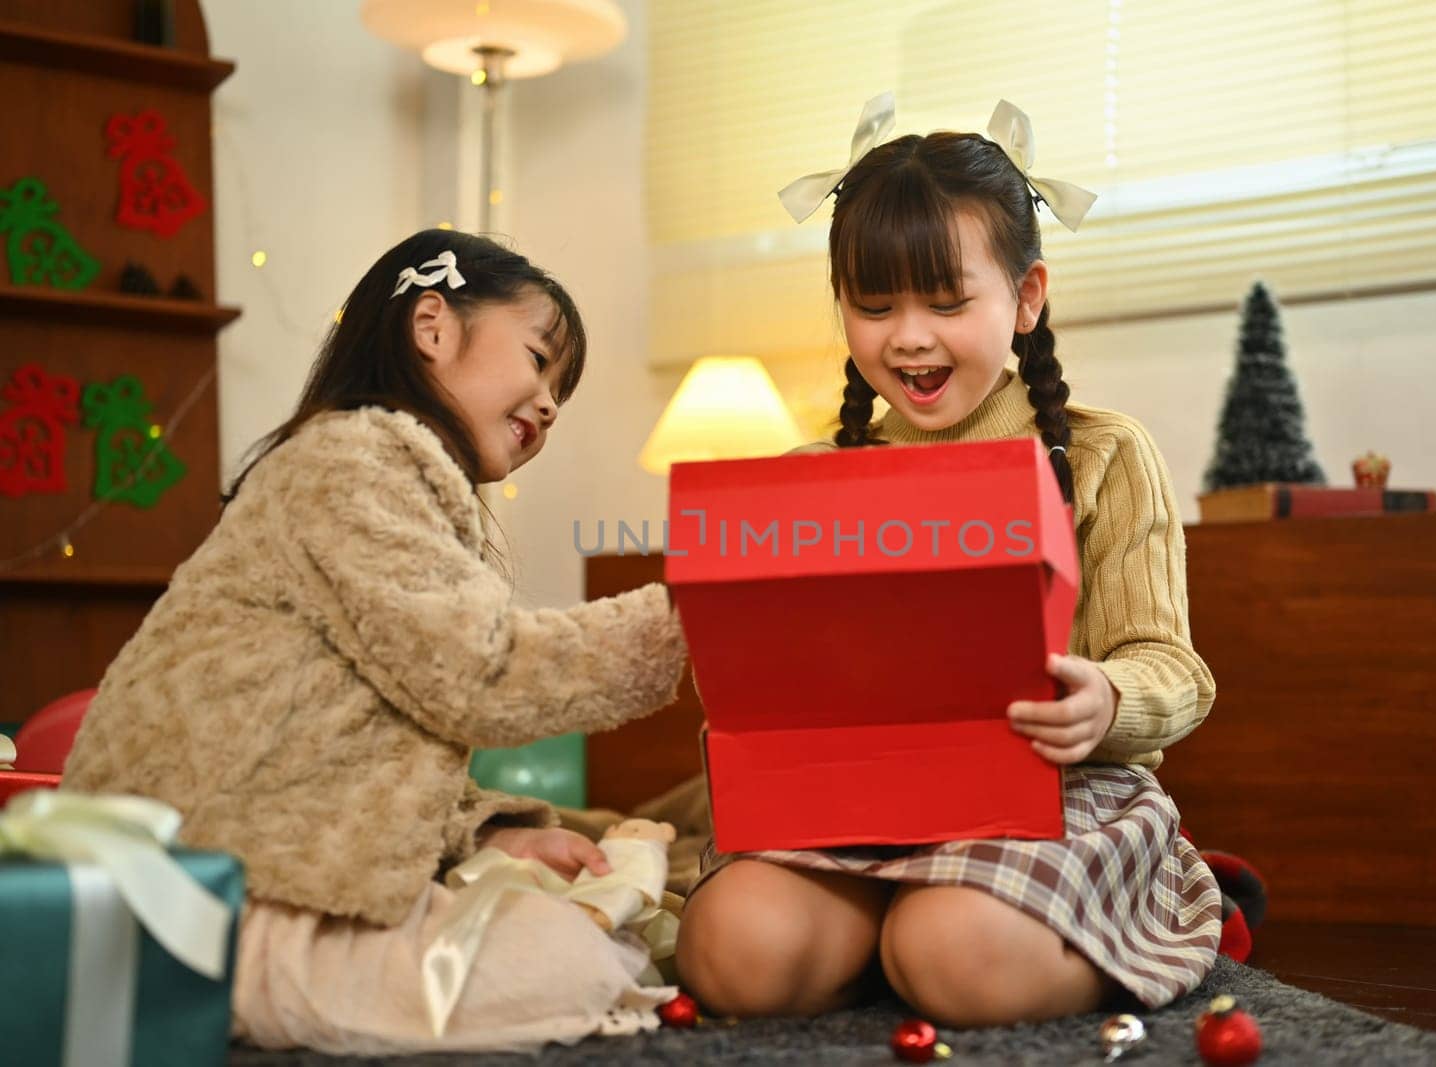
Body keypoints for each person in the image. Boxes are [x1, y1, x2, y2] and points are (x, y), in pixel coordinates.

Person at [62, 230, 688, 1054]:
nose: (550, 401)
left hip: (242, 873)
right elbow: (484, 671)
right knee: (583, 958)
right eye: (539, 359)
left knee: (603, 909)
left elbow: (354, 747)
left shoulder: (388, 474)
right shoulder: (351, 459)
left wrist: (488, 833)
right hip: (201, 902)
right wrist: (693, 615)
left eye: (562, 388)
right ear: (432, 324)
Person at [676, 97, 1221, 1027]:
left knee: (954, 952)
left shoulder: (1101, 455)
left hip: (1055, 792)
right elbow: (752, 683)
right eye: (874, 306)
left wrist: (1106, 698)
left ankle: (1026, 932)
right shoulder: (811, 481)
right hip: (853, 806)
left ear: (1027, 295)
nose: (909, 337)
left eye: (947, 300)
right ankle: (887, 930)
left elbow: (1174, 666)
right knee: (732, 953)